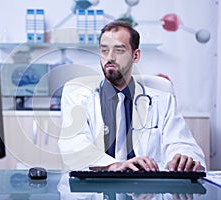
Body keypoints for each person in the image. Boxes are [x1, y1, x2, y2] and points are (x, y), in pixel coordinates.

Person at [58, 20, 205, 171]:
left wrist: (182, 158)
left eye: (119, 50)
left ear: (136, 56)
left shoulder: (162, 101)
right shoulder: (77, 97)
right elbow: (73, 145)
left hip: (147, 190)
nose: (110, 57)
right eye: (104, 50)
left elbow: (181, 143)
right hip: (95, 189)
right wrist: (115, 165)